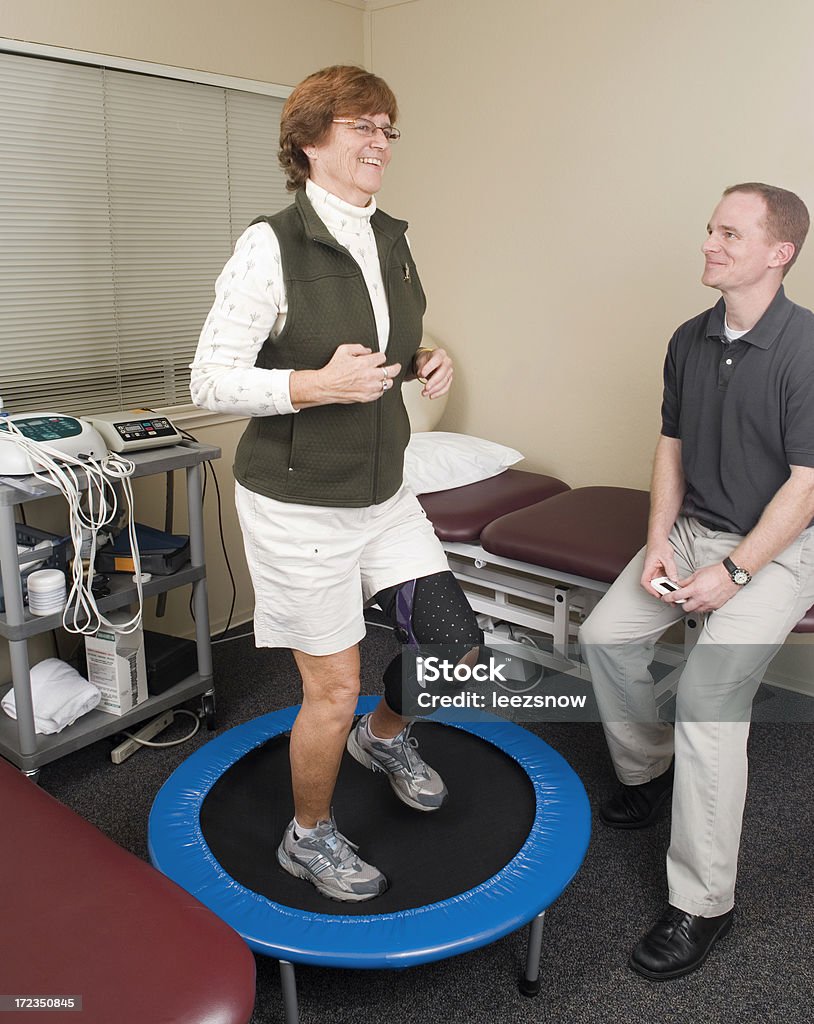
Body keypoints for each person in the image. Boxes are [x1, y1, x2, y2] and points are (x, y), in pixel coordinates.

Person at [190, 66, 481, 902]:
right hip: (297, 505)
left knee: (455, 644)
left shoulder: (393, 235)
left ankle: (384, 739)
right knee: (333, 689)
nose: (381, 143)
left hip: (383, 492)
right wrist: (312, 385)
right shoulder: (269, 245)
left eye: (389, 128)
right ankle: (305, 836)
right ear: (310, 139)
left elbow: (387, 343)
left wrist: (425, 358)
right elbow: (209, 381)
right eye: (363, 126)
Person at [580, 182, 814, 980]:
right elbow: (671, 447)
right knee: (605, 636)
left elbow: (807, 485)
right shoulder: (689, 337)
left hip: (779, 546)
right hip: (693, 529)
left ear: (779, 253)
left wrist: (737, 570)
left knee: (709, 700)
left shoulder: (808, 347)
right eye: (710, 229)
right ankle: (649, 769)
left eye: (730, 234)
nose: (710, 243)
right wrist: (658, 545)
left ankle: (703, 903)